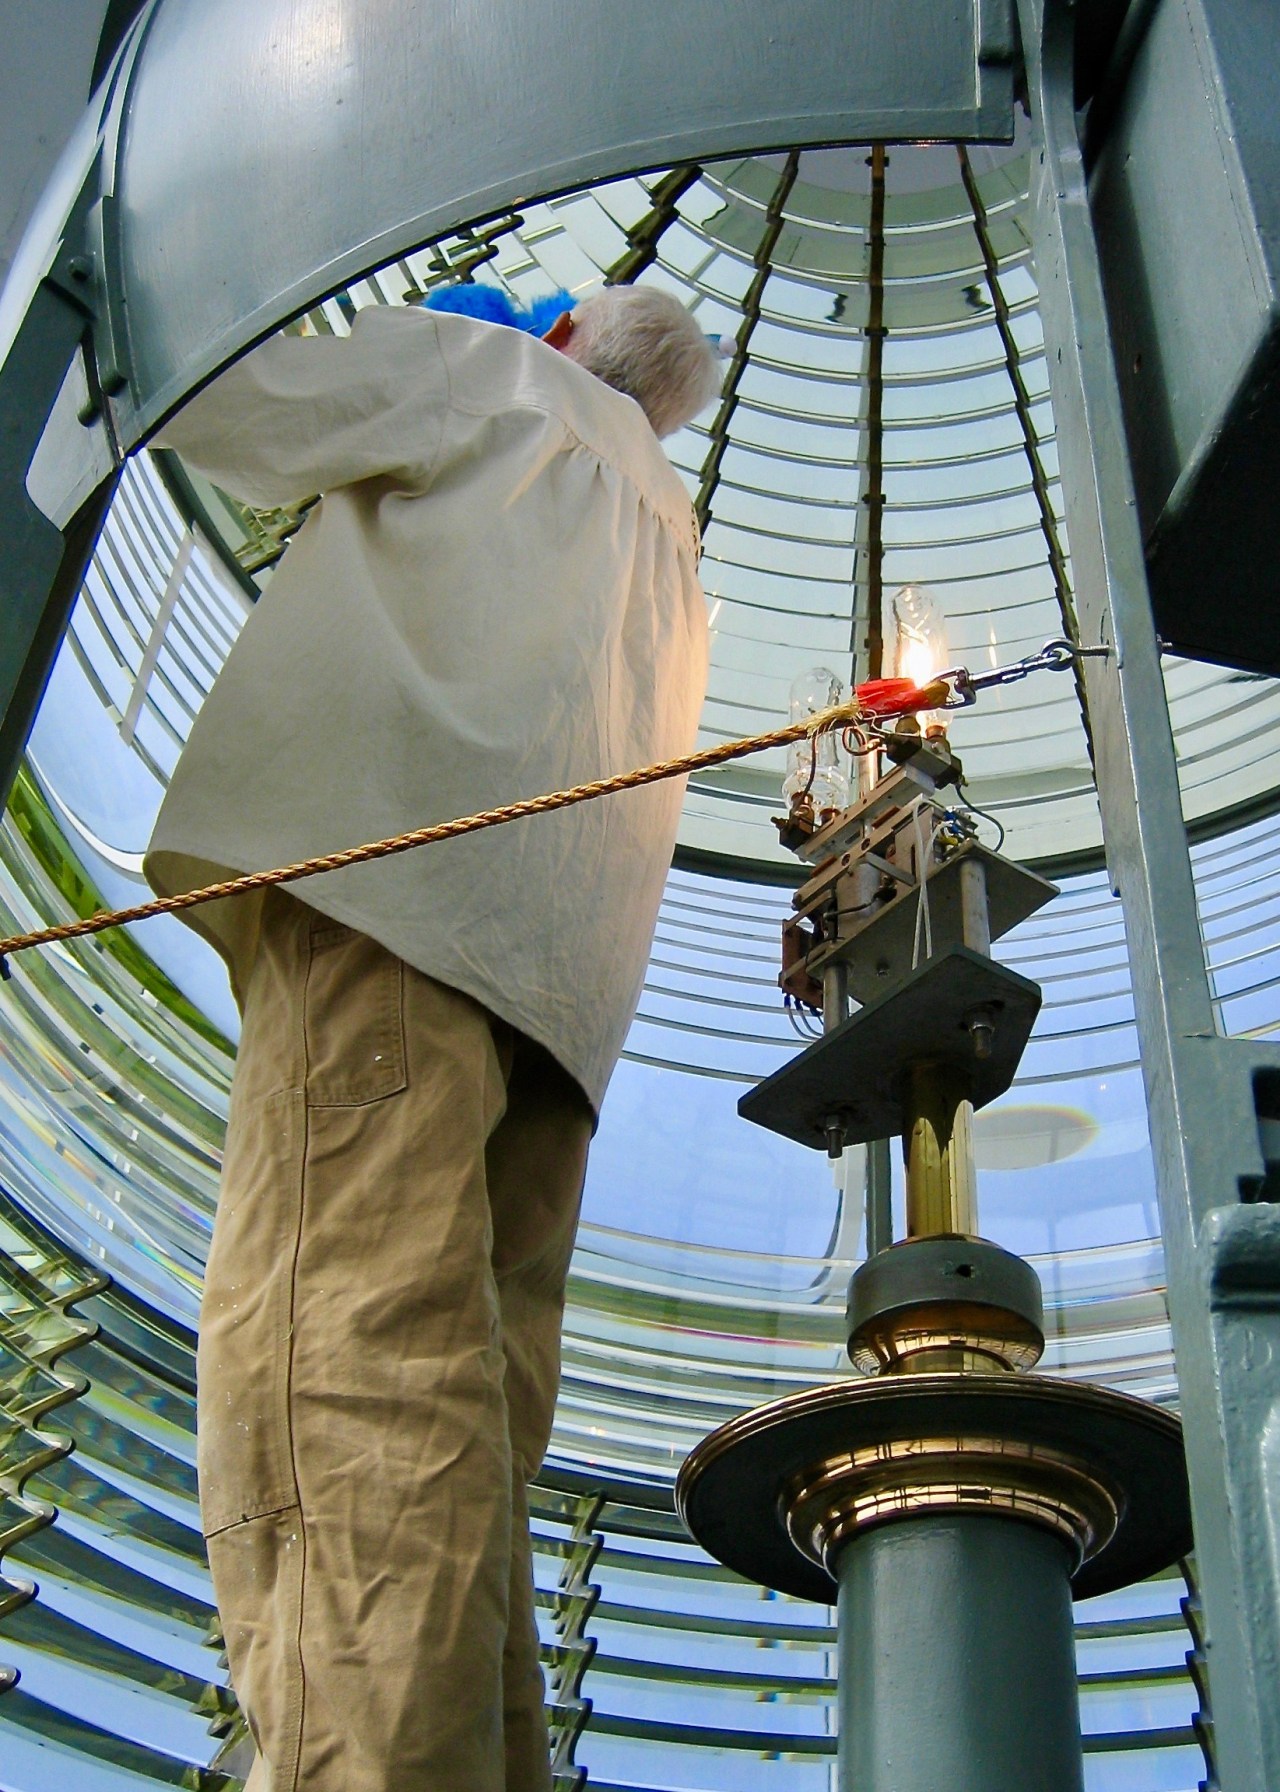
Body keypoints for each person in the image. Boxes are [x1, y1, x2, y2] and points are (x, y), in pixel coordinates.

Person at [143, 286, 721, 1792]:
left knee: (337, 1369)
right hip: (557, 1012)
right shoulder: (674, 550)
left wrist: (412, 329)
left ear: (571, 339)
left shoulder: (498, 382)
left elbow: (224, 407)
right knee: (457, 1467)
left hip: (400, 907)